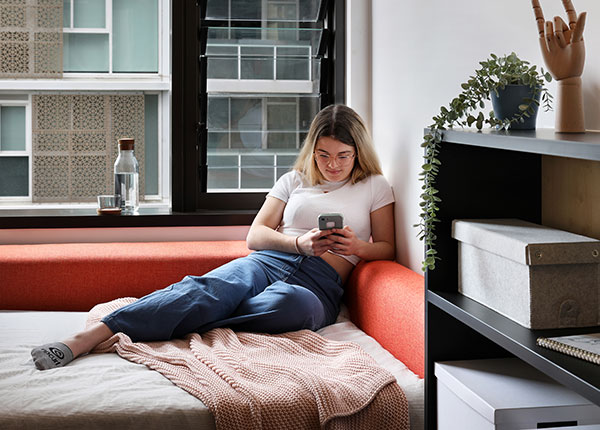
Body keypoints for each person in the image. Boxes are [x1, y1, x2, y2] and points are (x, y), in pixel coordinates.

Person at [31, 104, 396, 370]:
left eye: (343, 156)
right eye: (323, 155)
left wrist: (357, 247)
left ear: (358, 152)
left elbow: (387, 247)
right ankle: (91, 336)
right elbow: (256, 235)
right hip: (271, 260)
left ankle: (178, 318)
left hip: (320, 284)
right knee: (212, 289)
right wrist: (298, 243)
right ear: (312, 152)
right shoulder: (294, 180)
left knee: (290, 307)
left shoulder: (375, 186)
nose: (332, 165)